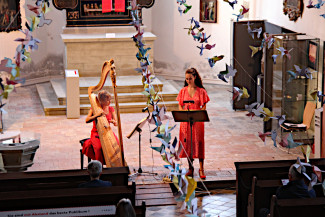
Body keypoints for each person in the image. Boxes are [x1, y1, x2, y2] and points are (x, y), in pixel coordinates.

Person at [176, 68, 210, 179]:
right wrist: (183, 112)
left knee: (198, 142)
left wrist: (199, 113)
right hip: (186, 122)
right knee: (188, 143)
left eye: (190, 78)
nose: (188, 81)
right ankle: (190, 168)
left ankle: (201, 169)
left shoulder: (201, 91)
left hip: (197, 121)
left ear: (195, 77)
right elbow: (180, 105)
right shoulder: (183, 91)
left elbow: (204, 105)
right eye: (186, 79)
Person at [82, 90, 119, 165]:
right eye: (107, 100)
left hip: (107, 132)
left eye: (110, 99)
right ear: (102, 100)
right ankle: (99, 167)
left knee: (117, 145)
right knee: (99, 148)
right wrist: (97, 115)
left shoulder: (111, 109)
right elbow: (87, 120)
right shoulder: (95, 109)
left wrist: (114, 122)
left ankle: (114, 164)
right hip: (96, 133)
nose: (109, 101)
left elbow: (116, 123)